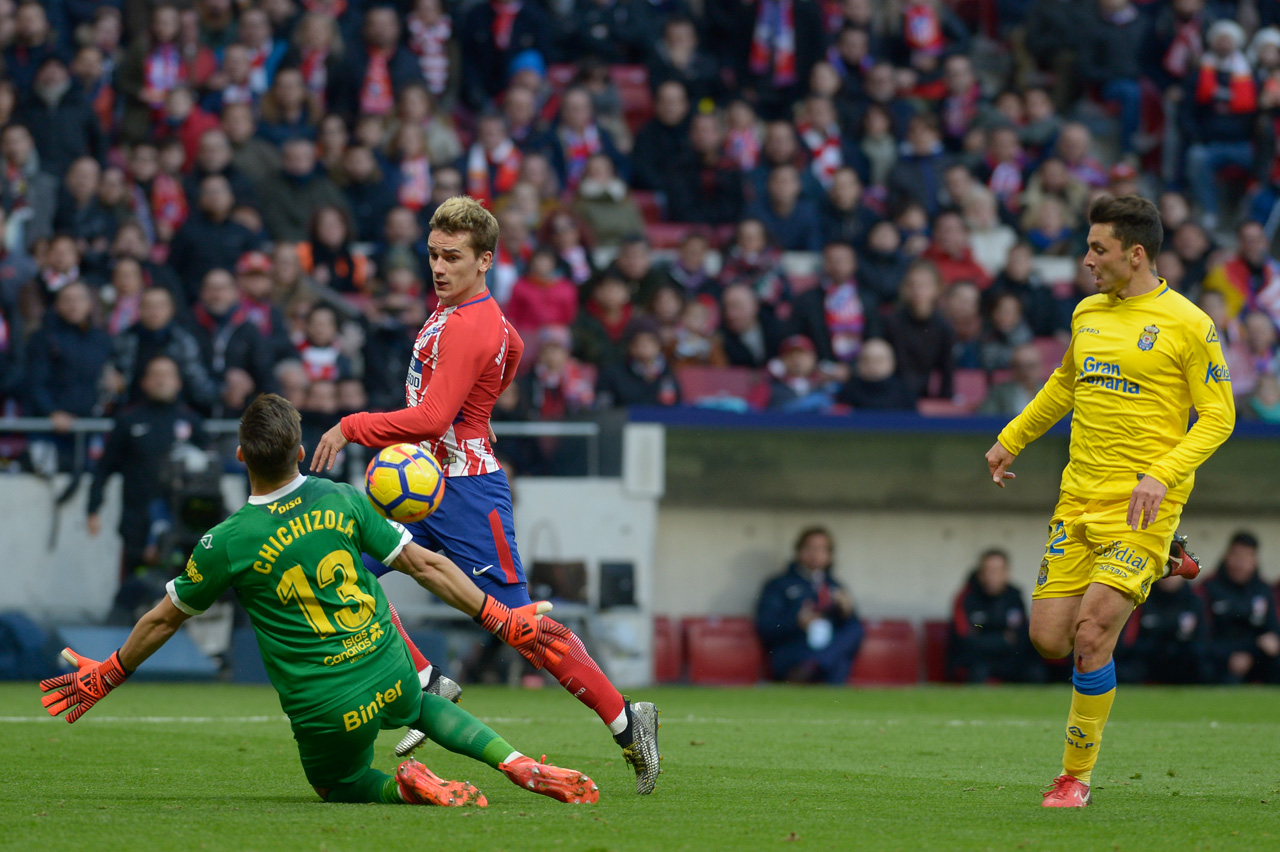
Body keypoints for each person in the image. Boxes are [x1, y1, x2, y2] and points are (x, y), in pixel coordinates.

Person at [43, 393, 600, 807]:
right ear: (302, 452)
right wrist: (500, 615)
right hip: (388, 667)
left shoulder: (225, 543)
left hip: (326, 706)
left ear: (241, 455)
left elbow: (163, 620)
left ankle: (406, 788)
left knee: (341, 784)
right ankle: (519, 763)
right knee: (422, 705)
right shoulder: (343, 498)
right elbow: (425, 565)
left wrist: (110, 673)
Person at [310, 197, 661, 795]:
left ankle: (629, 720)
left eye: (452, 257)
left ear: (485, 261)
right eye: (433, 255)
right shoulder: (469, 313)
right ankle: (425, 679)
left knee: (519, 626)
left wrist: (354, 425)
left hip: (468, 492)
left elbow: (430, 417)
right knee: (338, 571)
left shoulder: (470, 323)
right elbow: (516, 347)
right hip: (423, 485)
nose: (439, 268)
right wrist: (482, 407)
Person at [984, 195, 1235, 808]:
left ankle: (1074, 778)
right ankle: (1166, 560)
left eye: (1098, 248)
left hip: (1143, 507)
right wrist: (1010, 439)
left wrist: (1161, 473)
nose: (1087, 259)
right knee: (1050, 638)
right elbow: (1064, 385)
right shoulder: (1087, 314)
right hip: (1078, 502)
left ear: (1135, 253)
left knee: (1092, 633)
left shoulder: (1189, 323)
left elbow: (1219, 415)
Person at [87, 355, 206, 582]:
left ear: (178, 382)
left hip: (180, 522)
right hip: (136, 520)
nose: (161, 381)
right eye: (155, 375)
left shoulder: (192, 422)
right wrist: (93, 508)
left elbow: (207, 468)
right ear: (144, 382)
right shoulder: (128, 421)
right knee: (134, 586)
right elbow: (104, 468)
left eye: (167, 375)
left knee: (180, 589)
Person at [755, 526, 862, 684]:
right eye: (810, 548)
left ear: (830, 555)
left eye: (821, 549)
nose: (815, 554)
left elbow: (852, 633)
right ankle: (814, 665)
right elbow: (766, 627)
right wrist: (796, 621)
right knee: (836, 663)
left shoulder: (835, 586)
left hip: (826, 653)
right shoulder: (779, 584)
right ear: (798, 551)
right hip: (794, 651)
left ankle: (815, 665)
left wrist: (846, 613)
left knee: (855, 628)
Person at [946, 548, 1042, 684]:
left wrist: (986, 638)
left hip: (1009, 659)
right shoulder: (967, 598)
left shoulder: (1015, 596)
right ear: (980, 573)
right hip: (976, 660)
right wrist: (1003, 640)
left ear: (1006, 573)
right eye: (988, 571)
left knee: (1034, 671)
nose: (992, 576)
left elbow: (1021, 636)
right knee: (977, 671)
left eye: (997, 571)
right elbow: (965, 639)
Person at [1201, 531, 1280, 684]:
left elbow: (1272, 633)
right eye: (1237, 556)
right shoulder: (1209, 589)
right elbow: (1203, 639)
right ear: (1227, 556)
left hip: (1257, 658)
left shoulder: (1263, 591)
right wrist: (1230, 656)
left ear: (1255, 560)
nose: (1241, 563)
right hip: (1221, 662)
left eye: (1247, 557)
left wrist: (1252, 652)